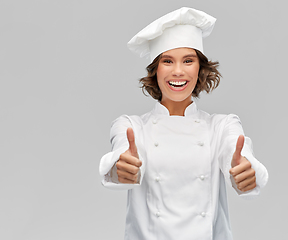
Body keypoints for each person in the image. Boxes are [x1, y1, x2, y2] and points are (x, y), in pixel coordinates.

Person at [99, 7, 268, 240]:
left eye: (188, 60)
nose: (178, 71)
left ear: (200, 68)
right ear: (155, 69)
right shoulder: (131, 126)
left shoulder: (221, 126)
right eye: (168, 61)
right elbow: (120, 153)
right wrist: (121, 168)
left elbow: (237, 152)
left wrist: (246, 172)